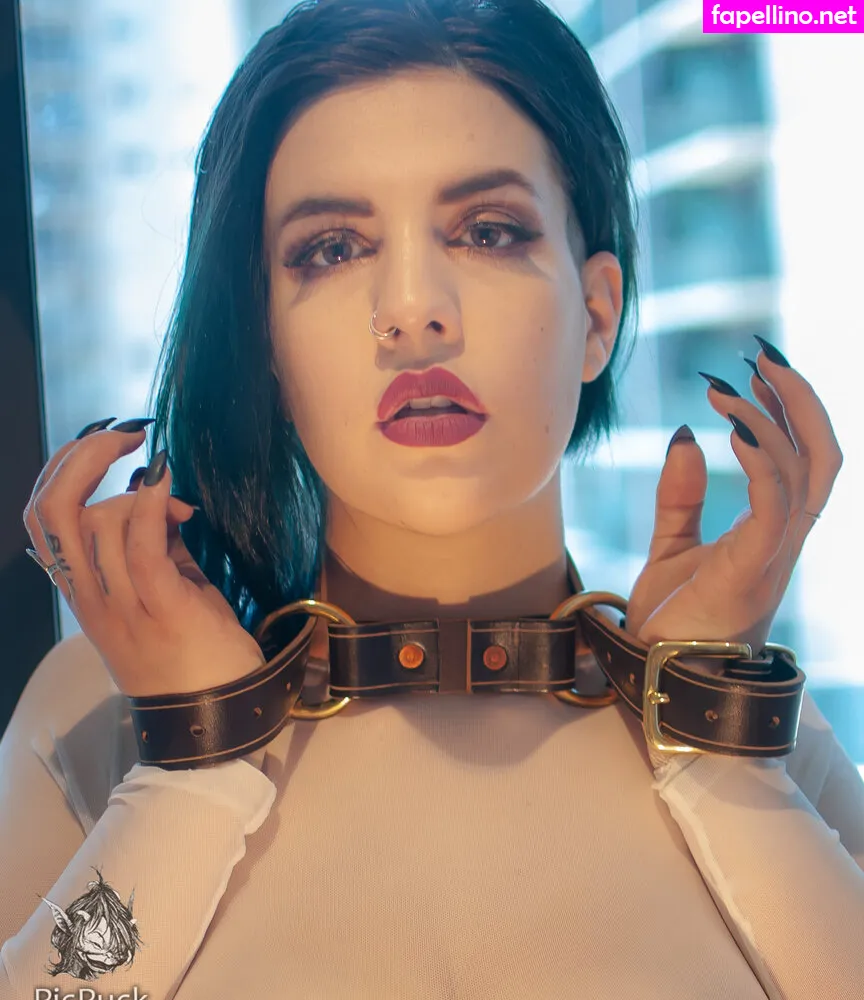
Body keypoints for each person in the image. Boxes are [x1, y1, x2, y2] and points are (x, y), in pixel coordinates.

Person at [2, 0, 862, 997]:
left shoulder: (751, 720)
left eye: (488, 231)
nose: (412, 310)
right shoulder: (101, 714)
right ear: (267, 342)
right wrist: (191, 765)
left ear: (596, 315)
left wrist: (709, 730)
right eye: (332, 248)